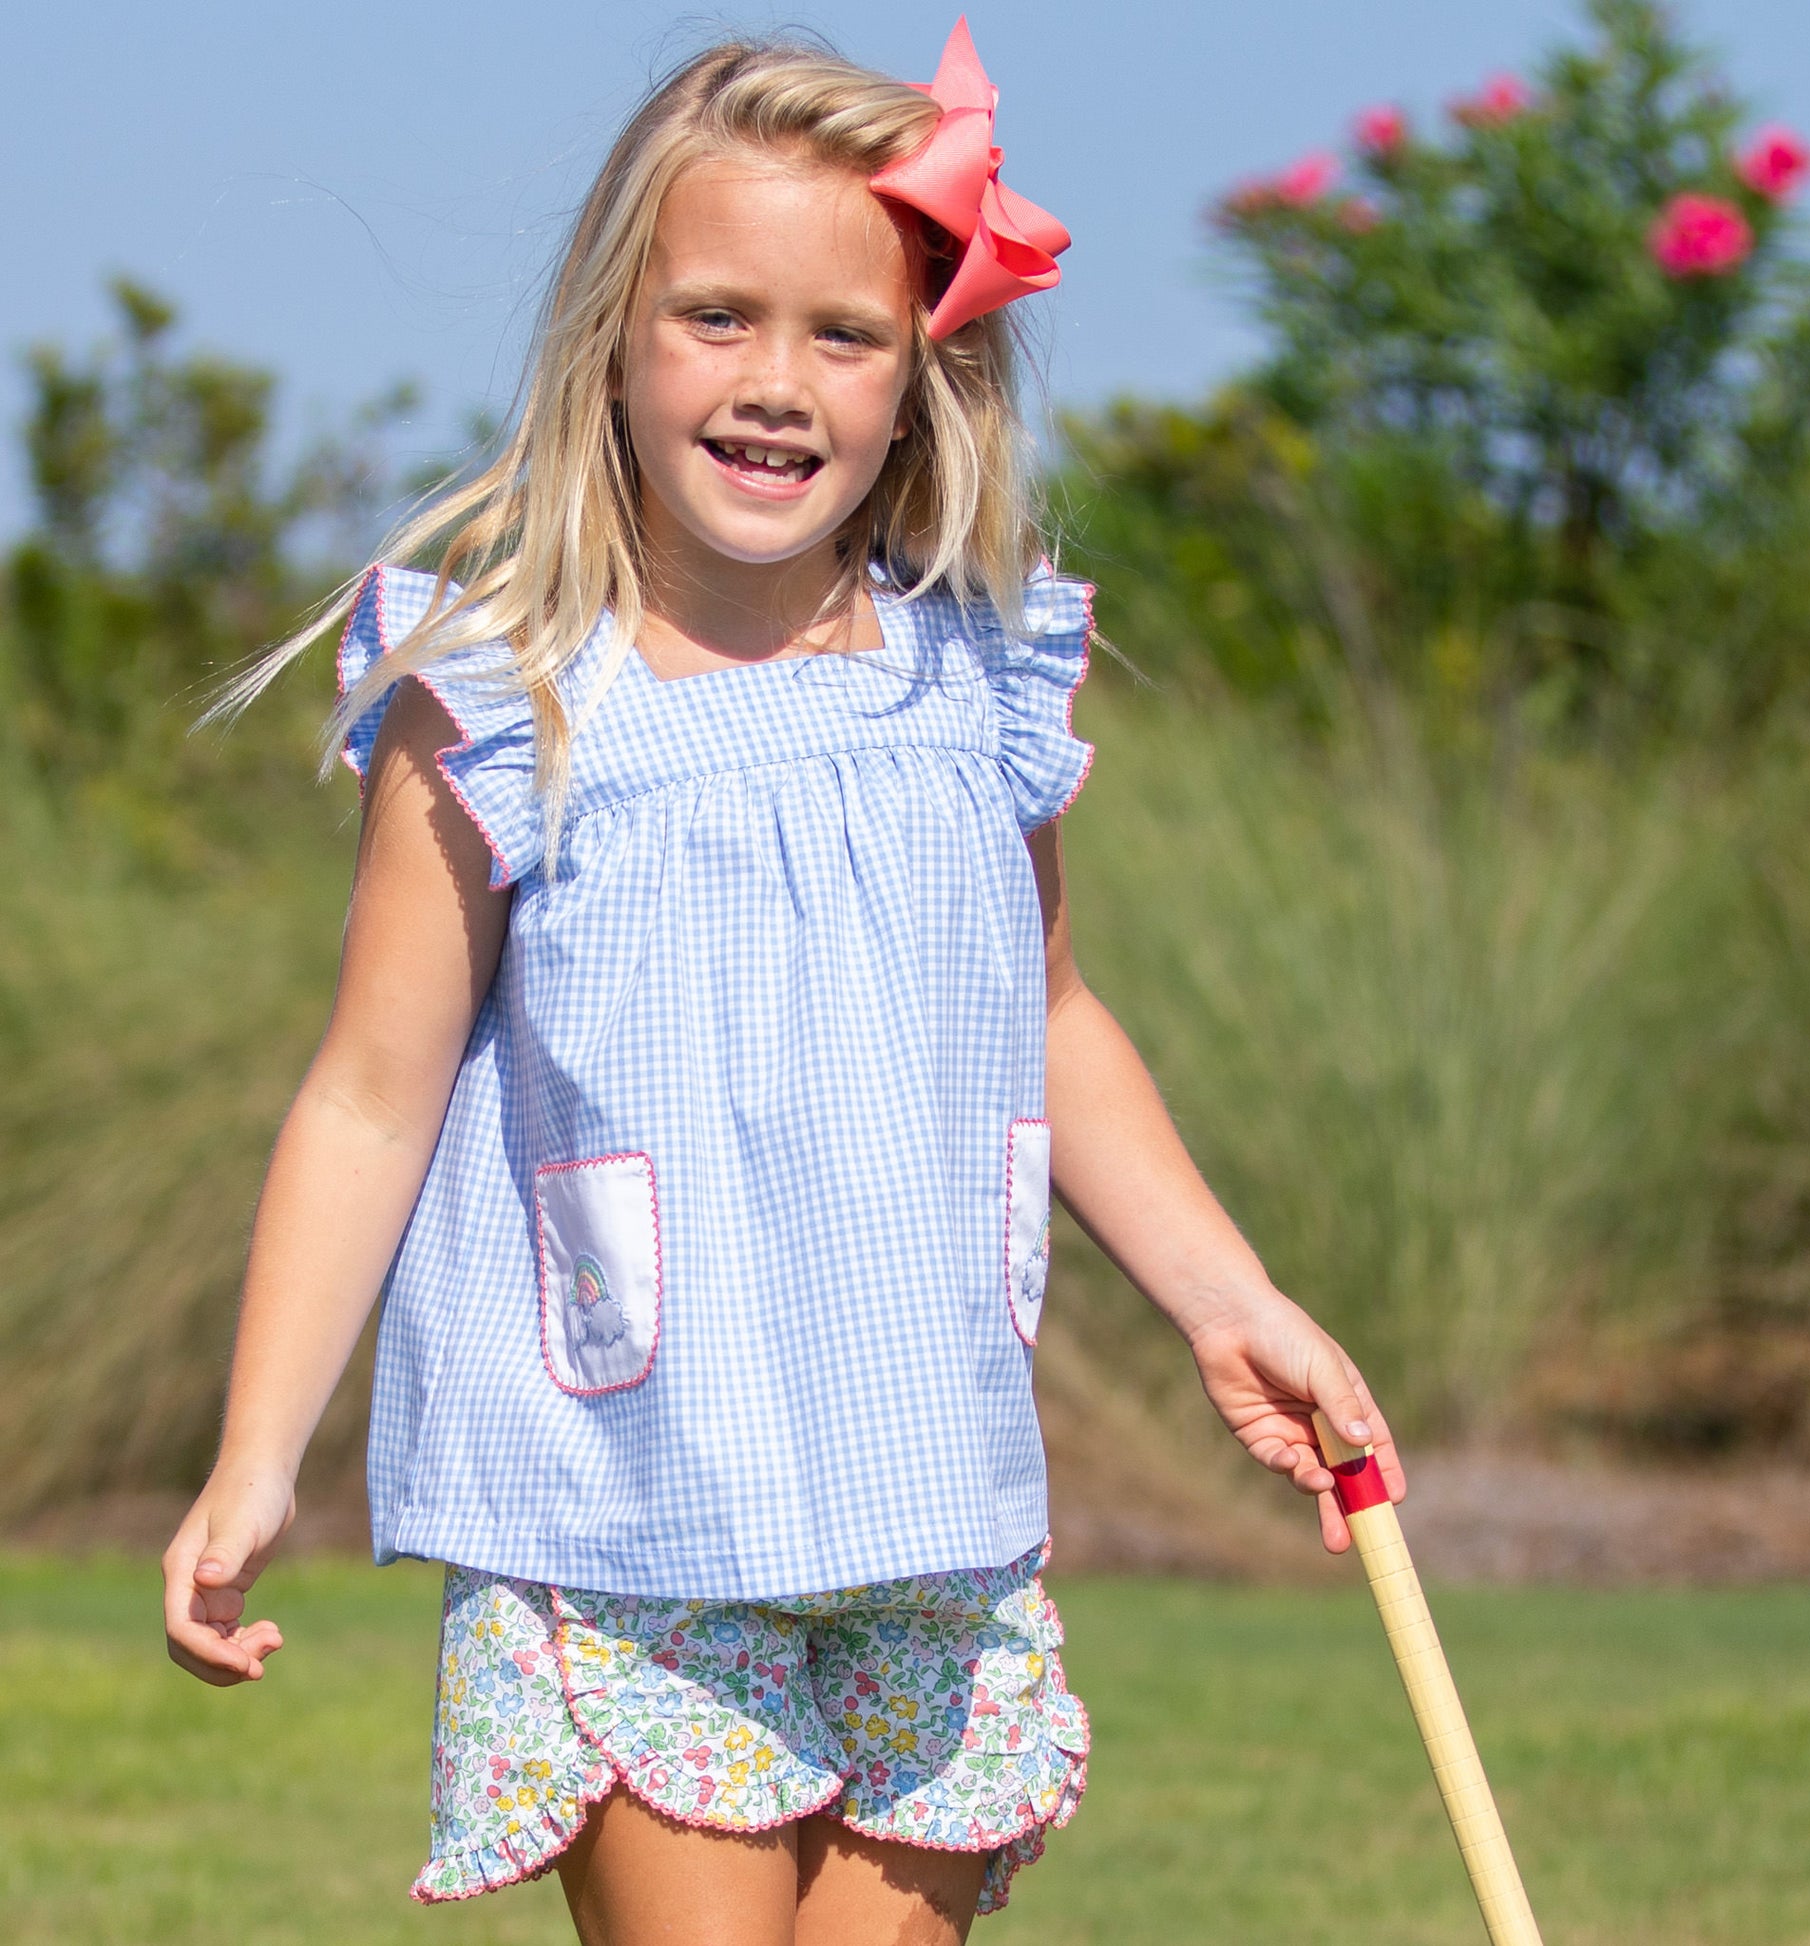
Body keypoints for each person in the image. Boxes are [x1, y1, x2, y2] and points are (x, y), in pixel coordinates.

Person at [161, 21, 1404, 1945]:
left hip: (926, 1502)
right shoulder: (500, 700)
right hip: (626, 1510)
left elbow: (1053, 1020)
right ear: (615, 340)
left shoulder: (976, 687)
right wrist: (257, 1457)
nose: (776, 382)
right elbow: (368, 1093)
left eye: (845, 335)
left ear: (924, 375)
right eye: (718, 317)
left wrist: (1232, 1300)